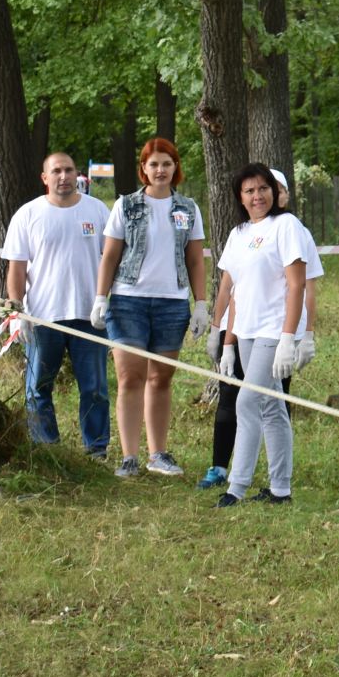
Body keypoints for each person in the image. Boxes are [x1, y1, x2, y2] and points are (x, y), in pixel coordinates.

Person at [198, 167, 322, 489]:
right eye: (250, 191)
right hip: (246, 332)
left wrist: (290, 339)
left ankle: (236, 488)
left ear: (274, 192)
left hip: (273, 331)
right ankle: (280, 489)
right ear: (240, 197)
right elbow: (234, 290)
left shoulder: (287, 225)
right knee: (272, 406)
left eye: (263, 189)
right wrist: (226, 341)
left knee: (246, 402)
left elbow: (298, 287)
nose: (257, 196)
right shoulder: (238, 233)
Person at [92, 137, 209, 478]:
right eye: (154, 164)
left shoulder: (188, 208)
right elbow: (110, 255)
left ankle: (158, 454)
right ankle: (129, 456)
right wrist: (101, 298)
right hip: (128, 301)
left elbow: (195, 260)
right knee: (131, 377)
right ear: (143, 168)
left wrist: (200, 304)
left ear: (175, 169)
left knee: (161, 378)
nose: (160, 170)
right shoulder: (126, 206)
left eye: (167, 164)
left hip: (172, 303)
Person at [0, 152, 112, 456]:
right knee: (38, 389)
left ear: (77, 174)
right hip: (42, 316)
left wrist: (105, 299)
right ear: (45, 178)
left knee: (95, 389)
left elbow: (111, 259)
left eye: (69, 170)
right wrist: (15, 311)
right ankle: (47, 448)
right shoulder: (28, 214)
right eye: (57, 171)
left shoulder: (98, 210)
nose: (64, 176)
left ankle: (96, 450)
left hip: (89, 315)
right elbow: (17, 268)